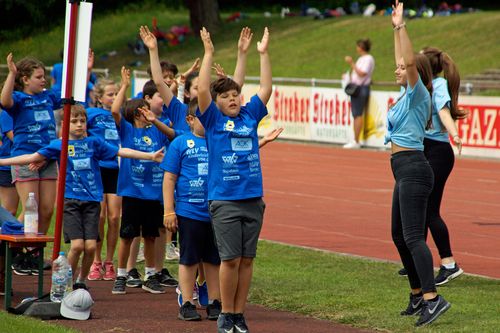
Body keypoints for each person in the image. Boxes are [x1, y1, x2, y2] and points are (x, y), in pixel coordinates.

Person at [0, 104, 164, 289]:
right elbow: (31, 157)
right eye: (74, 121)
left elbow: (121, 151)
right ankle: (64, 282)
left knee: (91, 247)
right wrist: (3, 161)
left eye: (82, 121)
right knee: (77, 246)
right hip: (71, 201)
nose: (79, 125)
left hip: (92, 201)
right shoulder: (59, 144)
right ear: (64, 124)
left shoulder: (94, 142)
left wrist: (150, 156)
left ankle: (81, 281)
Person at [197, 26, 272, 333]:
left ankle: (240, 314)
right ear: (217, 102)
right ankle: (226, 314)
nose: (232, 99)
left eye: (235, 95)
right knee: (229, 260)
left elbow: (266, 87)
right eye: (226, 96)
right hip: (225, 201)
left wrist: (262, 55)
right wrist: (209, 54)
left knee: (246, 261)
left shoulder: (250, 116)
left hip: (253, 199)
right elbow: (203, 91)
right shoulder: (213, 120)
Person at [386, 1, 450, 327]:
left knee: (413, 237)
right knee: (399, 235)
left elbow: (410, 61)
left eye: (401, 68)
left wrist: (401, 27)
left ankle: (433, 299)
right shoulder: (406, 97)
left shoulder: (419, 94)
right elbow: (406, 60)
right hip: (404, 170)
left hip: (413, 168)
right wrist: (395, 30)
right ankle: (416, 294)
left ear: (415, 72)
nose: (396, 69)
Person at [111, 66, 173, 295]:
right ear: (137, 113)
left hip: (153, 193)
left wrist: (155, 120)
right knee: (128, 235)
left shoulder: (156, 130)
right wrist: (125, 86)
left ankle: (150, 274)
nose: (149, 113)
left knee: (150, 235)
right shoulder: (127, 131)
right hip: (133, 192)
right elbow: (115, 111)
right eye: (145, 111)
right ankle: (121, 275)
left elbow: (170, 134)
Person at [0, 54, 60, 274]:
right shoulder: (19, 99)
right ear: (25, 79)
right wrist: (12, 74)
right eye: (38, 77)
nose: (43, 80)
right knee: (30, 210)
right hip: (26, 157)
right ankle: (12, 251)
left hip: (49, 157)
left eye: (44, 76)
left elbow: (69, 98)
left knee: (46, 209)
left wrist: (87, 70)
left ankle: (33, 253)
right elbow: (5, 101)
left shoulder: (47, 97)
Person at [420, 46, 467, 285]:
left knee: (429, 210)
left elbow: (443, 111)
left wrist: (454, 134)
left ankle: (449, 263)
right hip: (427, 149)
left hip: (438, 151)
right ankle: (417, 262)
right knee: (422, 208)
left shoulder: (438, 86)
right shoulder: (422, 86)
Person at [87, 78, 121, 282]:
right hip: (97, 169)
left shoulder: (119, 115)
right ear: (99, 97)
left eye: (116, 94)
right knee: (99, 216)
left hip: (116, 169)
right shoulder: (91, 114)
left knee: (115, 217)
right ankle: (96, 261)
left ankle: (109, 261)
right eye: (110, 94)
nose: (114, 97)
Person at [343, 38, 375, 149]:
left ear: (361, 47)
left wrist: (352, 63)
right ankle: (355, 139)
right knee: (356, 114)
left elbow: (362, 73)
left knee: (357, 114)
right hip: (357, 87)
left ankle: (356, 140)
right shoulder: (362, 58)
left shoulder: (368, 59)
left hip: (360, 88)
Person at [0, 111, 19, 216]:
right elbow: (15, 139)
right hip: (7, 165)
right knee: (9, 212)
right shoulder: (7, 113)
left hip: (25, 162)